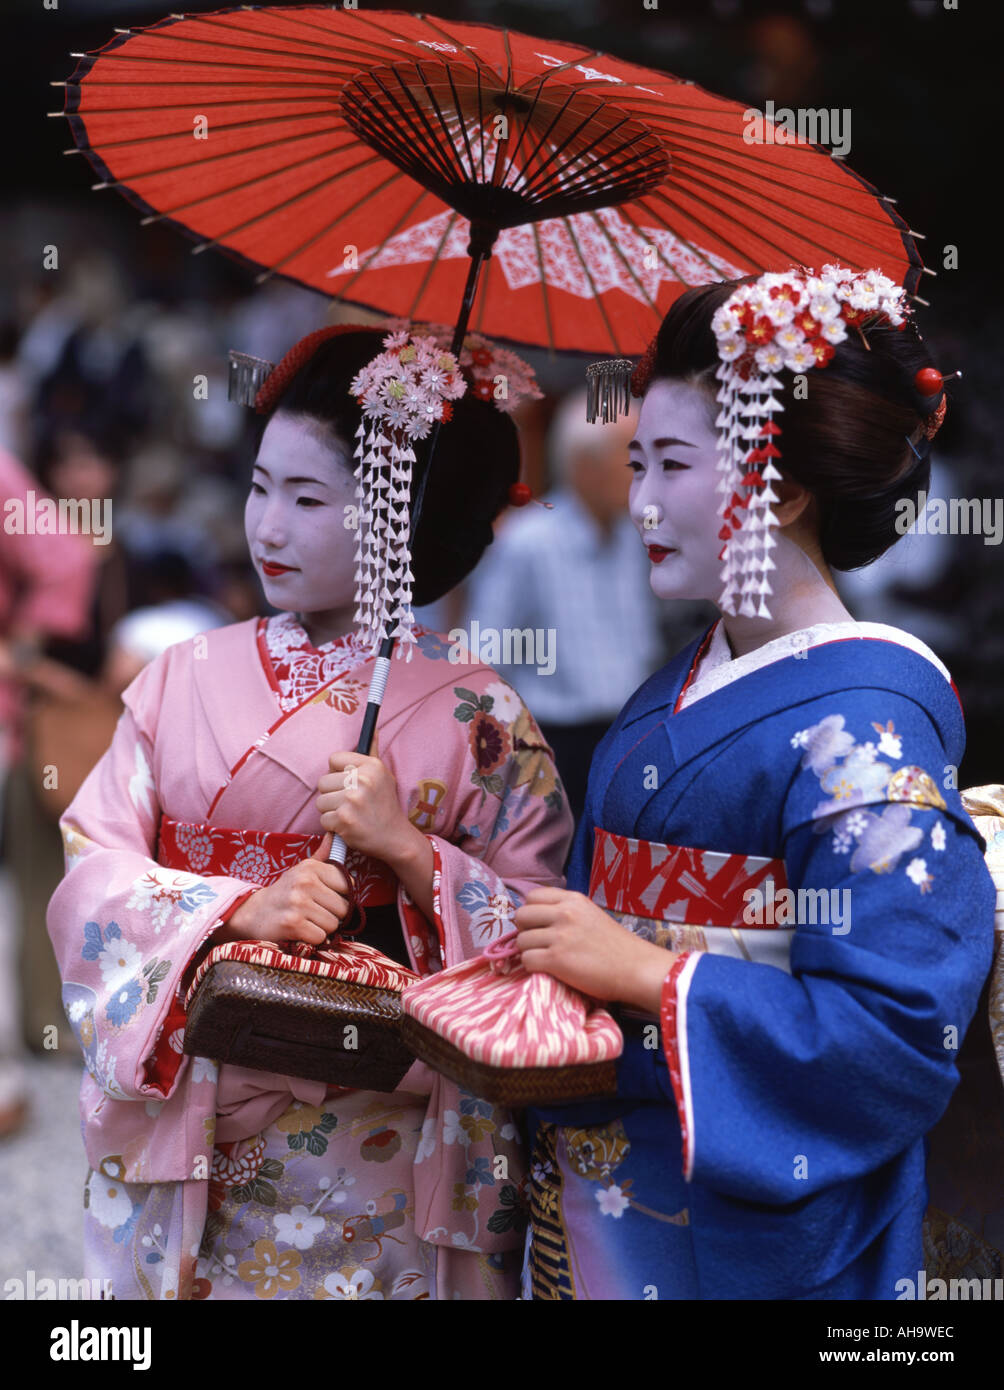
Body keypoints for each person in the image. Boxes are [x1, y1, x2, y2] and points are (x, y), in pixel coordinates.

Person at [46, 324, 572, 1300]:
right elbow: (94, 860)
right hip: (199, 1091)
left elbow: (546, 929)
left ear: (397, 518)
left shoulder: (478, 715)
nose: (268, 527)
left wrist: (411, 854)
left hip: (385, 1131)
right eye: (258, 486)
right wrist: (229, 909)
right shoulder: (182, 676)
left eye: (308, 497)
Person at [513, 267, 997, 1300]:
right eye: (634, 461)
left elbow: (895, 1032)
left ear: (788, 482)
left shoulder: (868, 723)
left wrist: (650, 976)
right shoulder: (668, 693)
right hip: (602, 1182)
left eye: (673, 464)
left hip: (765, 1222)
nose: (639, 500)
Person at [465, 389, 710, 827]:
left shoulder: (632, 538)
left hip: (627, 729)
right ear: (584, 466)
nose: (644, 481)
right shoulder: (528, 543)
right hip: (553, 740)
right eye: (632, 465)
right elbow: (487, 653)